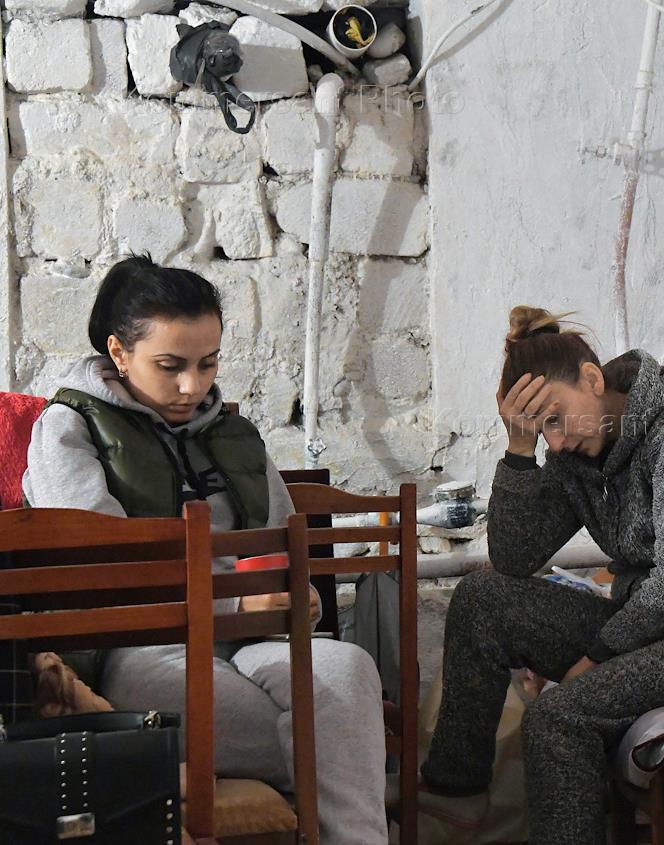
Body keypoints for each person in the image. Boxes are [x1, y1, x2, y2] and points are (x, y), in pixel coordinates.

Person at [22, 256, 388, 845]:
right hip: (145, 648)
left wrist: (296, 597)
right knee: (339, 733)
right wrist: (234, 604)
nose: (193, 386)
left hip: (256, 640)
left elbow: (282, 540)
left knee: (348, 669)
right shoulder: (69, 428)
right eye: (170, 366)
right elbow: (102, 572)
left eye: (208, 363)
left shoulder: (234, 435)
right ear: (119, 352)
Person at [418, 306, 664, 843]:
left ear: (592, 379)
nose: (556, 441)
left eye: (555, 418)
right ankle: (455, 798)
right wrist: (519, 452)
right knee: (483, 598)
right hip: (653, 627)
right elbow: (514, 560)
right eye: (541, 430)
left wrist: (595, 656)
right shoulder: (577, 454)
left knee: (557, 717)